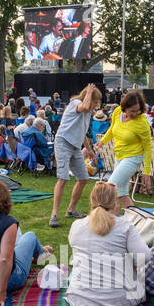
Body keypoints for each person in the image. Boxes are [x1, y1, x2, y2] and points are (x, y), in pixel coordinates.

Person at [65, 182, 151, 306]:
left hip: (80, 297)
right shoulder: (125, 226)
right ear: (115, 202)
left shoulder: (77, 225)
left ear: (92, 201)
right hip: (121, 299)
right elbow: (144, 257)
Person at [49, 83, 99, 227]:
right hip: (63, 142)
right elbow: (83, 106)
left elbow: (81, 132)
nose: (97, 105)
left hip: (76, 146)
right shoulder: (75, 103)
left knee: (83, 178)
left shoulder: (87, 113)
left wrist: (89, 150)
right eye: (96, 101)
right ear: (88, 98)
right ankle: (54, 215)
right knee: (63, 178)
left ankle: (71, 210)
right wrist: (89, 92)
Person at [99, 90, 151, 209]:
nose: (136, 113)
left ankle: (102, 218)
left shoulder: (142, 122)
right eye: (132, 111)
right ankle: (133, 217)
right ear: (125, 108)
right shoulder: (117, 112)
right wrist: (101, 142)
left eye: (138, 110)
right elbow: (112, 129)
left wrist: (146, 172)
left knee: (110, 187)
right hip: (119, 156)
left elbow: (148, 147)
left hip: (133, 158)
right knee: (121, 193)